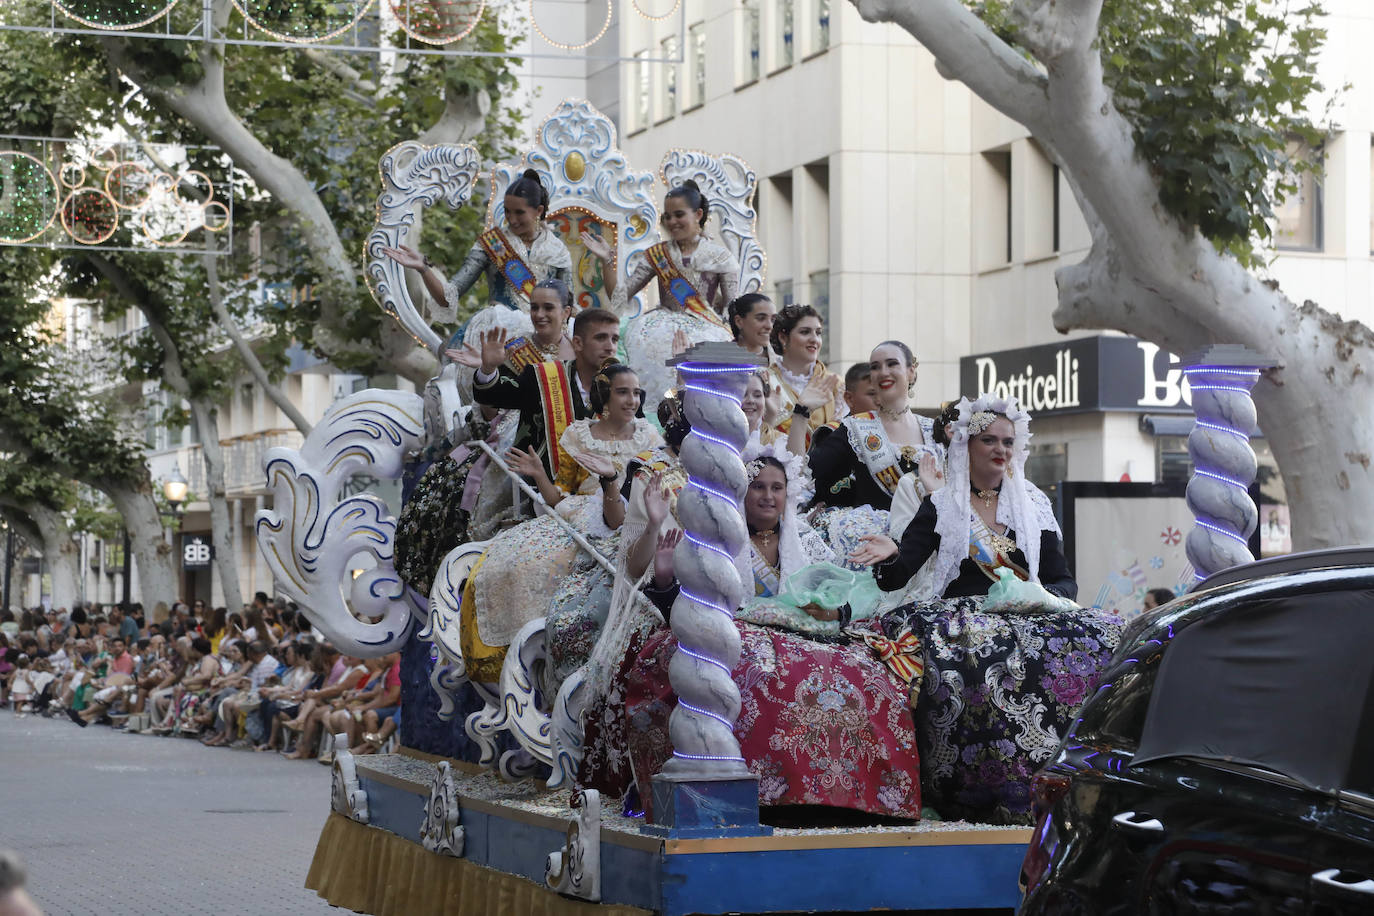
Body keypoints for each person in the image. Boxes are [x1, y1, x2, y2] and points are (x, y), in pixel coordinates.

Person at [587, 443, 923, 822]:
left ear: (787, 493)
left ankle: (851, 797)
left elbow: (844, 598)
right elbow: (677, 607)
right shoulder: (712, 541)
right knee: (756, 671)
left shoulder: (808, 542)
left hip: (806, 639)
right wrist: (664, 573)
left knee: (864, 672)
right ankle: (762, 792)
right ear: (740, 494)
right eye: (758, 487)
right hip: (734, 638)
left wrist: (831, 610)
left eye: (776, 487)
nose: (767, 496)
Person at [846, 396, 1121, 826]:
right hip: (962, 617)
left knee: (1105, 636)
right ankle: (981, 781)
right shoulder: (942, 505)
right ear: (965, 446)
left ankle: (1079, 774)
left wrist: (1038, 597)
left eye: (1008, 441)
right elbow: (900, 576)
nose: (1000, 449)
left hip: (1029, 612)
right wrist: (888, 554)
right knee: (977, 650)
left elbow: (1064, 580)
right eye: (989, 439)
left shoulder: (1033, 505)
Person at [461, 363, 662, 684]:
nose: (632, 401)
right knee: (513, 565)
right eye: (623, 392)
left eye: (636, 393)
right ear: (603, 398)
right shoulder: (577, 436)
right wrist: (540, 474)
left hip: (638, 520)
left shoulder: (650, 436)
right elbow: (558, 499)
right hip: (579, 515)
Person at [396, 279, 583, 599]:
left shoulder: (580, 352)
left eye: (548, 307)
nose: (539, 314)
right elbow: (491, 405)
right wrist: (488, 369)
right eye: (534, 307)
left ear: (566, 311)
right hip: (513, 431)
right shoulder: (516, 348)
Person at [585, 181, 739, 416]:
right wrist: (608, 261)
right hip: (658, 325)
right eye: (667, 216)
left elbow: (732, 308)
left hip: (707, 326)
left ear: (698, 214)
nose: (672, 222)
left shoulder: (720, 257)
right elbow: (620, 297)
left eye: (679, 215)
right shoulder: (656, 255)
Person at [381, 169, 572, 355]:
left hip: (546, 338)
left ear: (538, 210)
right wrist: (424, 269)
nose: (512, 219)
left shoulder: (558, 251)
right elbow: (449, 297)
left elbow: (567, 307)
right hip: (497, 332)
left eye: (519, 213)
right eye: (507, 211)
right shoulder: (492, 244)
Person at [464, 307, 621, 488]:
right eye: (601, 338)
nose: (610, 347)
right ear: (577, 343)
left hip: (606, 493)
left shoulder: (624, 386)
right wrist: (488, 369)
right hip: (540, 493)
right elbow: (491, 395)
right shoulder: (542, 377)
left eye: (614, 339)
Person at [766, 304, 845, 441]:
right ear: (783, 338)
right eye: (805, 332)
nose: (814, 339)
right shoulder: (765, 380)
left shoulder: (837, 384)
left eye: (818, 333)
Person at [728, 292, 777, 364]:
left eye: (773, 320)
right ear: (739, 321)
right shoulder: (718, 362)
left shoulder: (782, 365)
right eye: (761, 318)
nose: (769, 326)